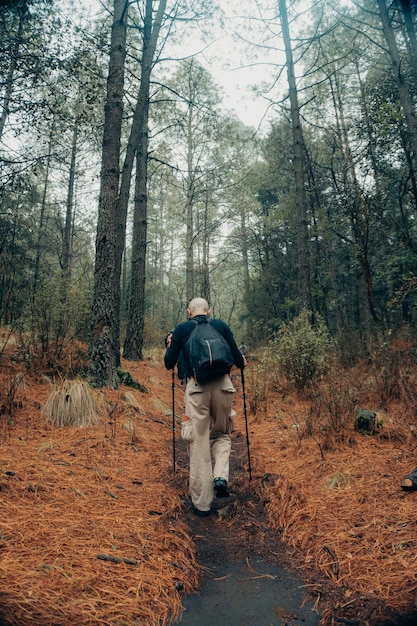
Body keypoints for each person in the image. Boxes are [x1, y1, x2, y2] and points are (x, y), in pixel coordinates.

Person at [164, 297, 246, 517]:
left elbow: (168, 363)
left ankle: (202, 504)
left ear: (189, 312)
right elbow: (238, 360)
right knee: (222, 433)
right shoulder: (220, 326)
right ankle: (220, 476)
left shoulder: (182, 329)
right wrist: (242, 360)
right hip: (224, 387)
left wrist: (172, 343)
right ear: (208, 311)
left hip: (198, 388)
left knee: (199, 441)